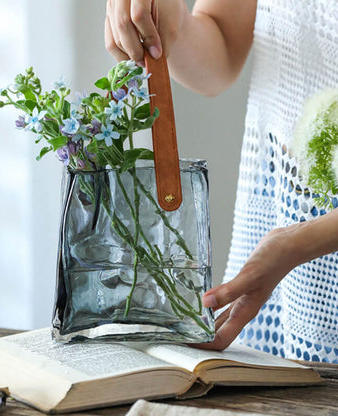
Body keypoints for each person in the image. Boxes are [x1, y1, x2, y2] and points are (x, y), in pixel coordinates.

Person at [105, 0, 338, 363]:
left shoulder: (287, 246)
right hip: (281, 214)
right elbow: (222, 51)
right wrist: (174, 23)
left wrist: (297, 243)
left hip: (297, 244)